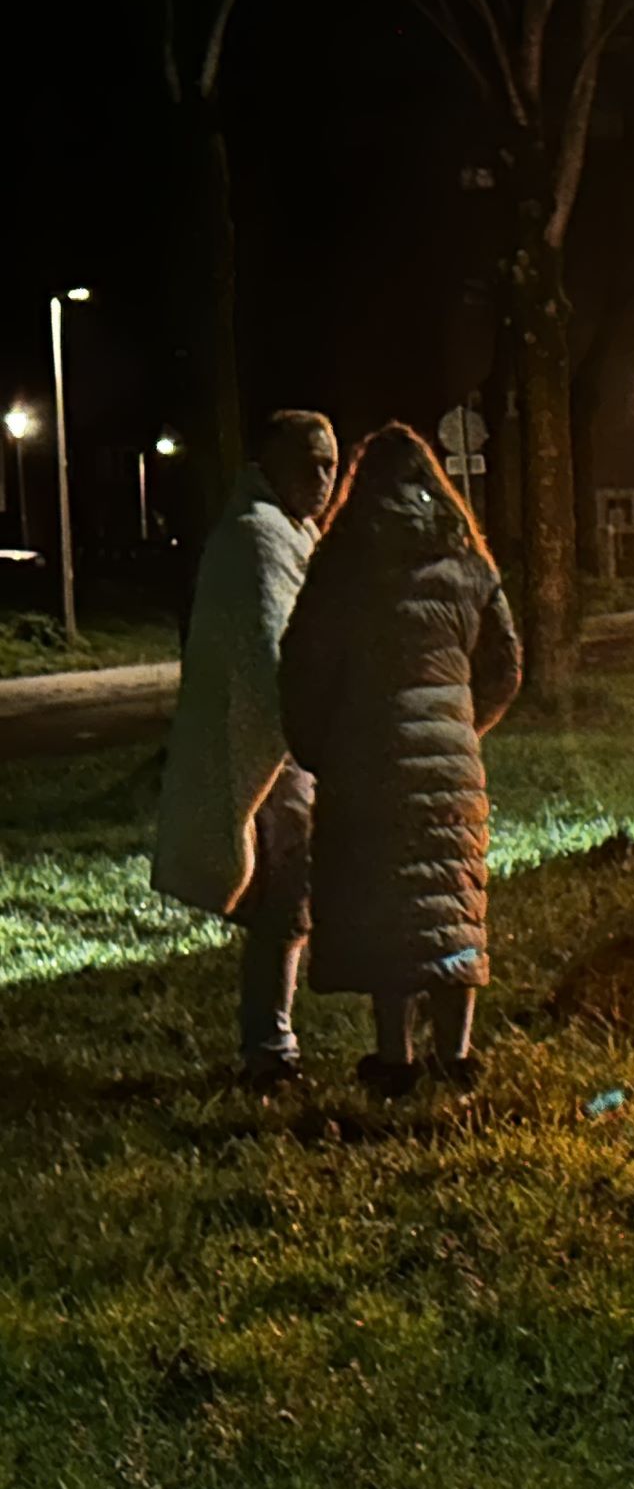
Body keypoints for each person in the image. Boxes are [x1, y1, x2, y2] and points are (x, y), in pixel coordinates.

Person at [279, 424, 521, 1097]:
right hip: (451, 766)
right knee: (452, 902)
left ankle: (394, 1057)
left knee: (388, 906)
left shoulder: (340, 564)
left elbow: (300, 667)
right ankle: (458, 1054)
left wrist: (319, 746)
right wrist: (462, 729)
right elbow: (506, 665)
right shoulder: (468, 562)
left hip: (365, 764)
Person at [154, 411, 340, 1090]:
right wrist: (304, 730)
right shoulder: (257, 538)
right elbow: (267, 656)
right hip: (279, 752)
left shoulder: (294, 533)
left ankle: (272, 1036)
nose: (324, 478)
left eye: (331, 464)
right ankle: (270, 1045)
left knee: (291, 897)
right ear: (272, 463)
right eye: (311, 463)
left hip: (295, 745)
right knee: (285, 897)